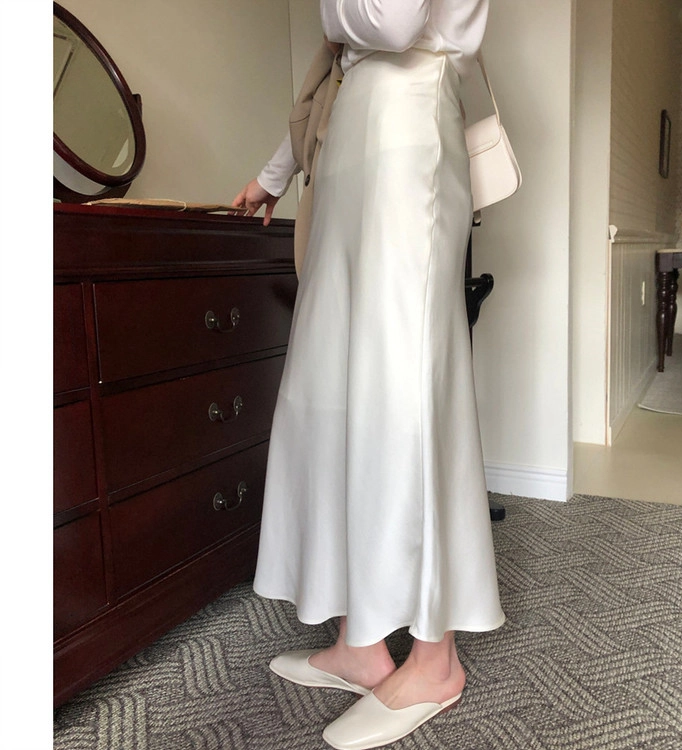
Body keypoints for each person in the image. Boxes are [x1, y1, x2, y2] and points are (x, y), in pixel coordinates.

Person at [233, 2, 504, 747]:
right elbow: (342, 65)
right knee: (331, 384)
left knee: (400, 386)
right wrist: (276, 172)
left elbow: (390, 21)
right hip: (358, 127)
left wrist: (329, 13)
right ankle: (360, 642)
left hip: (408, 120)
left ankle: (435, 659)